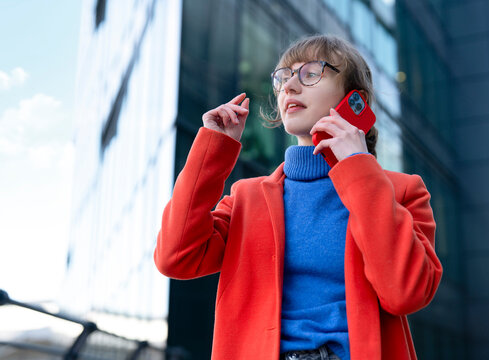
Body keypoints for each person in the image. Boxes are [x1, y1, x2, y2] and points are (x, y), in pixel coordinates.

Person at [154, 34, 442, 360]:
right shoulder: (246, 198)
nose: (289, 86)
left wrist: (359, 170)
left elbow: (407, 292)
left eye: (310, 73)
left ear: (355, 100)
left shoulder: (402, 191)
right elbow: (175, 257)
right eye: (283, 77)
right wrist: (212, 151)